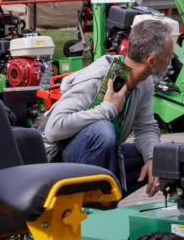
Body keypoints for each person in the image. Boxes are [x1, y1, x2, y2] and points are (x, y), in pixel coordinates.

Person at [43, 19, 172, 198]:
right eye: (169, 55)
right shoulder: (98, 77)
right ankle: (91, 208)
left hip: (98, 156)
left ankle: (106, 200)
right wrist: (108, 109)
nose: (171, 59)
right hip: (58, 162)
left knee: (167, 155)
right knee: (103, 132)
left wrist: (153, 158)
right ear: (151, 61)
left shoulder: (144, 82)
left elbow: (146, 128)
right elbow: (53, 128)